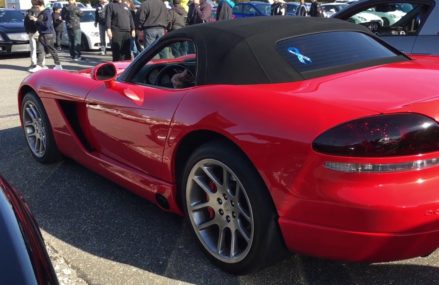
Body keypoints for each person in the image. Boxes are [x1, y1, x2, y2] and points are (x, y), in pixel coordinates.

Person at [29, 0, 62, 72]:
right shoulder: (42, 13)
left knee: (52, 50)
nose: (36, 9)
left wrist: (37, 20)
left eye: (37, 7)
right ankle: (39, 65)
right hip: (42, 34)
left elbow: (47, 25)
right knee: (41, 50)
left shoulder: (47, 13)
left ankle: (58, 65)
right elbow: (41, 24)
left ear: (40, 5)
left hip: (48, 34)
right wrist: (35, 21)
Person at [24, 0, 45, 69]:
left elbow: (26, 22)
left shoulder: (28, 11)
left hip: (31, 32)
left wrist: (27, 31)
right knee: (41, 49)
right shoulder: (40, 11)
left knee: (33, 49)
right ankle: (41, 63)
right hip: (38, 31)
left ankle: (34, 63)